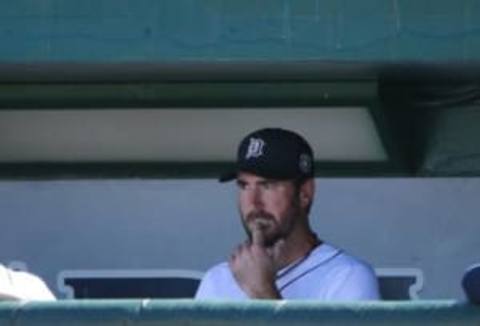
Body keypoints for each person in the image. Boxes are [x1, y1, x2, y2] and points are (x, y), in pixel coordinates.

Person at [195, 127, 380, 300]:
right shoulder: (216, 280)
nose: (253, 202)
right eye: (244, 186)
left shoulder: (347, 276)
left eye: (267, 185)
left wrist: (263, 292)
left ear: (305, 193)